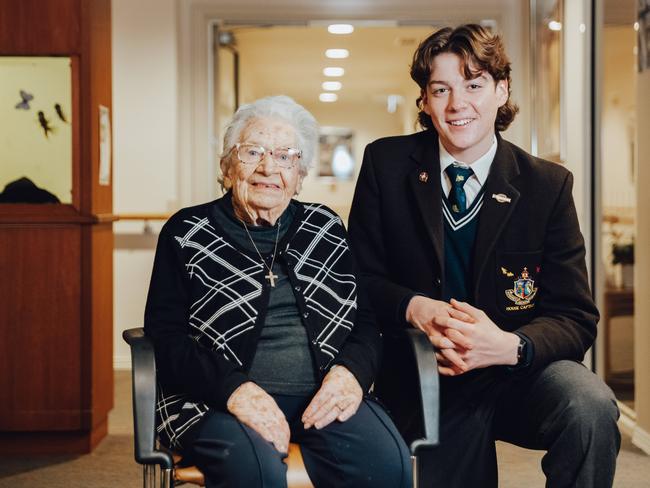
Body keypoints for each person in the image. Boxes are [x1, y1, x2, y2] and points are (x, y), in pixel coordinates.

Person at [348, 24, 620, 487]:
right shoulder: (386, 164)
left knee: (589, 406)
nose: (458, 105)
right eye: (441, 89)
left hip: (517, 372)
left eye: (474, 85)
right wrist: (416, 309)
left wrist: (511, 347)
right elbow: (358, 279)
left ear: (501, 90)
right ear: (425, 100)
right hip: (425, 372)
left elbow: (575, 316)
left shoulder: (548, 186)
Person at [144, 95, 411, 488]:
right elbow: (165, 336)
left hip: (322, 395)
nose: (268, 167)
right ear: (227, 165)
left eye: (285, 156)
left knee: (389, 463)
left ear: (300, 175)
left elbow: (365, 322)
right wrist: (235, 390)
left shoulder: (325, 228)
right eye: (253, 151)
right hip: (214, 401)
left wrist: (350, 374)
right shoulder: (186, 232)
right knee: (258, 472)